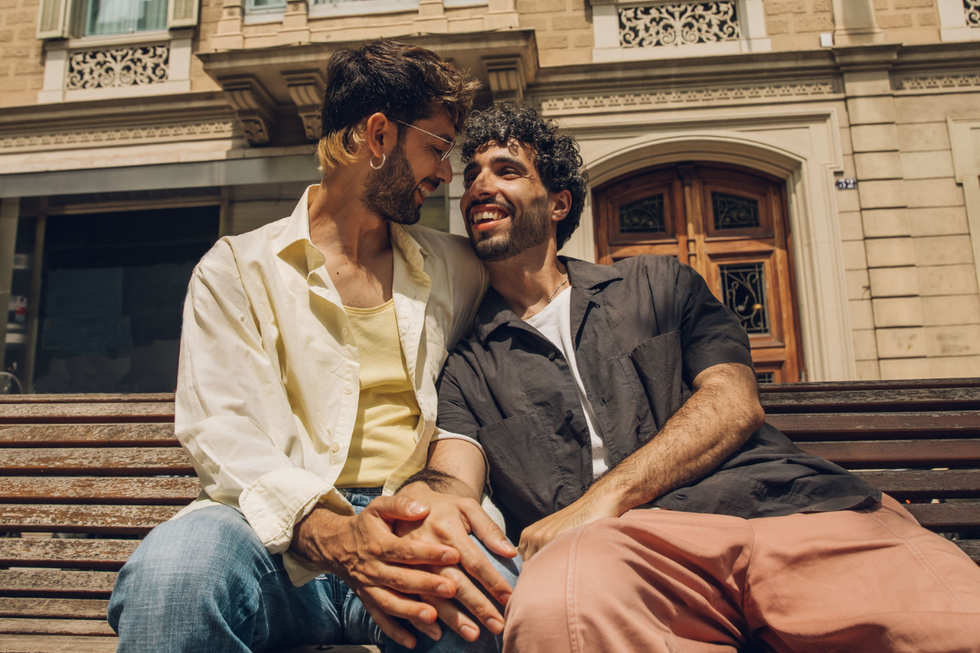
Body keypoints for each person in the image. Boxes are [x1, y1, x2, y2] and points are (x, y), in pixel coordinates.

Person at [400, 102, 980, 652]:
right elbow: (454, 478)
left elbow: (732, 402)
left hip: (791, 512)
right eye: (470, 174)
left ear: (557, 203)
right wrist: (419, 504)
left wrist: (602, 500)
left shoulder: (658, 284)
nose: (478, 185)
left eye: (506, 170)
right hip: (624, 559)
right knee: (556, 616)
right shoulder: (468, 361)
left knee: (953, 625)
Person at [107, 41, 519, 653]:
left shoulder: (455, 268)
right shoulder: (236, 270)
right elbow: (223, 429)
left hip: (409, 523)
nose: (445, 174)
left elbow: (544, 286)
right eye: (436, 147)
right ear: (378, 135)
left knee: (486, 612)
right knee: (173, 577)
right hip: (268, 536)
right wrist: (332, 533)